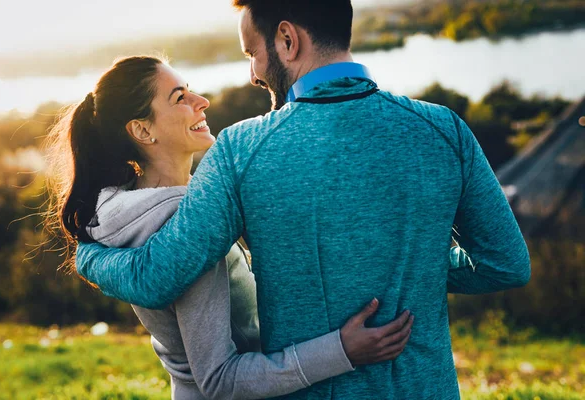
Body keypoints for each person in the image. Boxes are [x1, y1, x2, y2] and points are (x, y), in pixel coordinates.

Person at [76, 0, 531, 398]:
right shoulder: (443, 130)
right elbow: (505, 263)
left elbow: (159, 275)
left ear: (287, 40)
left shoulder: (241, 151)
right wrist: (405, 260)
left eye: (253, 53)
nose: (253, 72)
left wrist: (90, 259)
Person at [46, 55, 417, 399]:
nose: (201, 101)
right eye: (180, 97)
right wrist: (341, 350)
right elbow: (219, 379)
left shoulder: (128, 210)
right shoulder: (180, 226)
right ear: (143, 131)